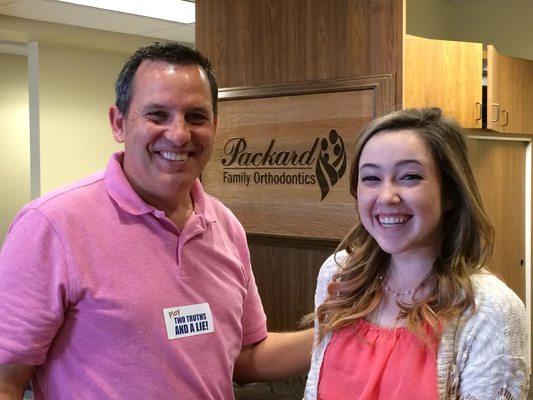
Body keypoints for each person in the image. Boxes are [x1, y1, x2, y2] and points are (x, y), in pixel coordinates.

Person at [0, 42, 312, 399]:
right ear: (118, 123)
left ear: (215, 125)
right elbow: (6, 381)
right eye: (157, 115)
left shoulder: (226, 227)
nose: (179, 134)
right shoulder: (51, 226)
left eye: (196, 116)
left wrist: (340, 333)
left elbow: (244, 356)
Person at [304, 108, 530, 399]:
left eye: (409, 176)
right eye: (371, 178)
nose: (387, 196)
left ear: (450, 192)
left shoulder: (491, 312)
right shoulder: (339, 276)